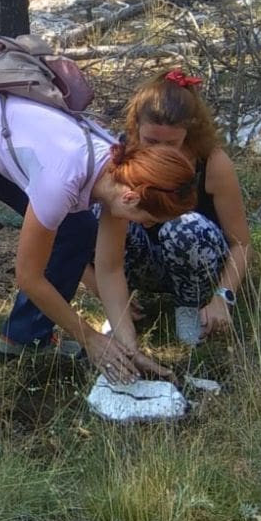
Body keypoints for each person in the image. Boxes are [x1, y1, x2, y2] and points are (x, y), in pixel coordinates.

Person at [0, 90, 197, 466]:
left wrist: (128, 346)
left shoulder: (123, 172)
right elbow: (28, 276)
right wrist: (89, 338)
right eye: (151, 220)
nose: (149, 227)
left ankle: (25, 337)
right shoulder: (63, 179)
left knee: (77, 234)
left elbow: (108, 269)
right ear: (131, 200)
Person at [83, 69, 251, 346]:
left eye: (171, 143)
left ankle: (190, 307)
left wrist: (224, 296)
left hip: (195, 261)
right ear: (135, 128)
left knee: (185, 226)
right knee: (98, 212)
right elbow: (68, 230)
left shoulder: (212, 162)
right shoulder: (119, 157)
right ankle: (120, 306)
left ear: (189, 132)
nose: (160, 151)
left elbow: (241, 244)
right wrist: (100, 287)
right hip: (136, 263)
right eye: (151, 141)